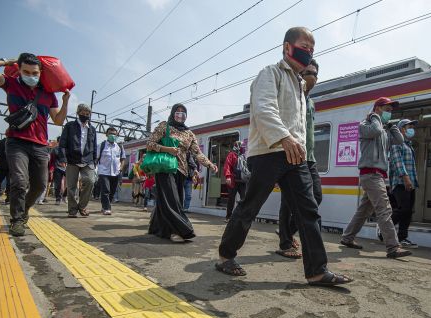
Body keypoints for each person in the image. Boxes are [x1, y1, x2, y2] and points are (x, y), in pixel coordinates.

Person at [216, 27, 352, 286]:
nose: (308, 52)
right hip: (269, 151)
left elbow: (298, 126)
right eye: (304, 46)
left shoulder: (300, 85)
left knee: (308, 210)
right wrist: (284, 137)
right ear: (287, 47)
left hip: (295, 155)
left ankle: (317, 270)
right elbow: (264, 108)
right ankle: (225, 256)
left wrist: (296, 144)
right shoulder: (270, 74)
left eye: (312, 49)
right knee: (250, 206)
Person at [0, 53, 69, 236]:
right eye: (25, 71)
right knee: (19, 182)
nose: (30, 75)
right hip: (16, 142)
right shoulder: (10, 84)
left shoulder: (48, 94)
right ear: (19, 70)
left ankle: (24, 209)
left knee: (40, 185)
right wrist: (7, 62)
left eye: (34, 72)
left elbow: (58, 121)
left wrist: (65, 103)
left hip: (40, 146)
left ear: (40, 72)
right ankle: (17, 220)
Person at [340, 97, 412, 259]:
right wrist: (375, 117)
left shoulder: (384, 130)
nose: (390, 113)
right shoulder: (365, 125)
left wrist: (392, 126)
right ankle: (393, 246)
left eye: (391, 111)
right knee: (384, 209)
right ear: (377, 108)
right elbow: (376, 131)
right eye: (387, 109)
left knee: (364, 210)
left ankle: (347, 237)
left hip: (377, 174)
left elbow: (400, 141)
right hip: (370, 173)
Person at [146, 103, 218, 242]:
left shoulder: (189, 134)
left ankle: (157, 228)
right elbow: (150, 144)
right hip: (165, 168)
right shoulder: (164, 126)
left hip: (181, 171)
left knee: (172, 200)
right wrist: (167, 149)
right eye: (177, 111)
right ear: (173, 113)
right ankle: (180, 231)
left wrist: (209, 164)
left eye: (183, 112)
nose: (180, 114)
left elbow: (197, 153)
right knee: (172, 200)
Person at [275, 58, 322, 259]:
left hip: (308, 157)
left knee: (316, 196)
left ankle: (287, 232)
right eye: (308, 72)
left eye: (315, 74)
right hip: (292, 155)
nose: (313, 77)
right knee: (288, 201)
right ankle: (285, 243)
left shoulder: (310, 102)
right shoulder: (292, 96)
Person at [59, 104, 98, 217]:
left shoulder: (92, 129)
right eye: (83, 113)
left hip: (88, 160)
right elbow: (63, 143)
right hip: (72, 159)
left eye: (87, 114)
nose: (85, 116)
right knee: (71, 186)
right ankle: (72, 209)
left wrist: (94, 161)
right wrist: (63, 157)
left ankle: (82, 206)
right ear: (78, 113)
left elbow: (94, 146)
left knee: (90, 181)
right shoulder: (70, 126)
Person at [388, 119, 420, 249]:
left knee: (408, 211)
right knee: (403, 209)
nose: (412, 129)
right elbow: (397, 161)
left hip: (410, 182)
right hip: (401, 182)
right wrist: (405, 178)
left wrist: (411, 181)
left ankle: (402, 237)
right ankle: (384, 228)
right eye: (409, 126)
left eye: (412, 127)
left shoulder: (408, 145)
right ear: (401, 128)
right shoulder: (397, 142)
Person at [96, 127, 125, 215]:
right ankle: (107, 208)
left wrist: (121, 168)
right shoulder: (101, 145)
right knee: (106, 190)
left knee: (112, 191)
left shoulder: (119, 146)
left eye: (114, 134)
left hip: (115, 172)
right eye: (110, 133)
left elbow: (123, 159)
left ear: (116, 135)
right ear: (107, 134)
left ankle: (104, 206)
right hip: (103, 171)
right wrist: (96, 170)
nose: (112, 135)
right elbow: (96, 158)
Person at [223, 141, 248, 221]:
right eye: (241, 146)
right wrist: (228, 177)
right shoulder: (231, 155)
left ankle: (242, 216)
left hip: (242, 181)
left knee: (244, 199)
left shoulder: (243, 156)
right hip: (233, 180)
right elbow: (227, 166)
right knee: (231, 199)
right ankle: (228, 216)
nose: (242, 148)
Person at [50, 137, 68, 205]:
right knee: (58, 185)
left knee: (71, 183)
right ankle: (58, 198)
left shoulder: (68, 149)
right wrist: (51, 169)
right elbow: (51, 160)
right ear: (58, 141)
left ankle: (64, 196)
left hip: (67, 168)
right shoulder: (55, 149)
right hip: (57, 168)